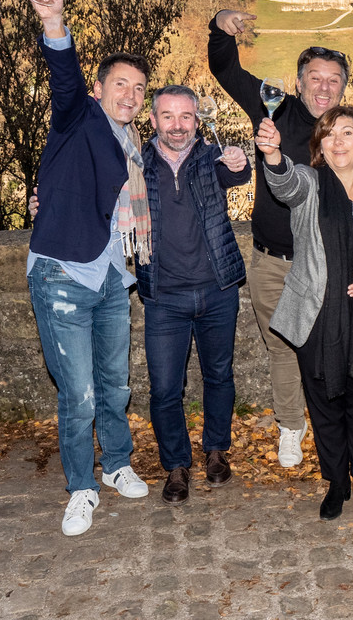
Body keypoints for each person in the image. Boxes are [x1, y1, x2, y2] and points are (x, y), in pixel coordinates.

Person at [25, 0, 150, 536]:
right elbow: (63, 79)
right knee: (78, 392)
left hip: (112, 277)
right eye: (120, 84)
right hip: (64, 274)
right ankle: (81, 487)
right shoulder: (79, 117)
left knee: (115, 384)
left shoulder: (133, 146)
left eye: (139, 87)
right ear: (99, 89)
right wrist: (56, 24)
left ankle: (117, 463)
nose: (131, 94)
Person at [208, 9, 349, 468]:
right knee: (283, 346)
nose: (323, 87)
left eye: (333, 80)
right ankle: (291, 425)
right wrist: (219, 27)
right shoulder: (273, 108)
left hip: (326, 260)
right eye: (315, 77)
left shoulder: (348, 129)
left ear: (344, 87)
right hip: (270, 260)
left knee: (329, 346)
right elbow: (225, 69)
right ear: (299, 81)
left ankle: (334, 423)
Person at [256, 107, 353, 521]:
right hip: (318, 315)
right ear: (320, 146)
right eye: (329, 134)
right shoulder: (311, 184)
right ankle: (337, 482)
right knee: (326, 405)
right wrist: (274, 156)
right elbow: (285, 184)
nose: (338, 141)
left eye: (347, 132)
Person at [136, 85, 251, 505]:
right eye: (168, 116)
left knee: (219, 375)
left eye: (186, 116)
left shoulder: (209, 158)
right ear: (153, 121)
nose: (178, 125)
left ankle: (216, 450)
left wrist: (239, 160)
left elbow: (237, 172)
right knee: (166, 388)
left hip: (217, 290)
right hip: (163, 296)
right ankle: (176, 465)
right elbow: (97, 196)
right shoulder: (137, 163)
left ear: (197, 120)